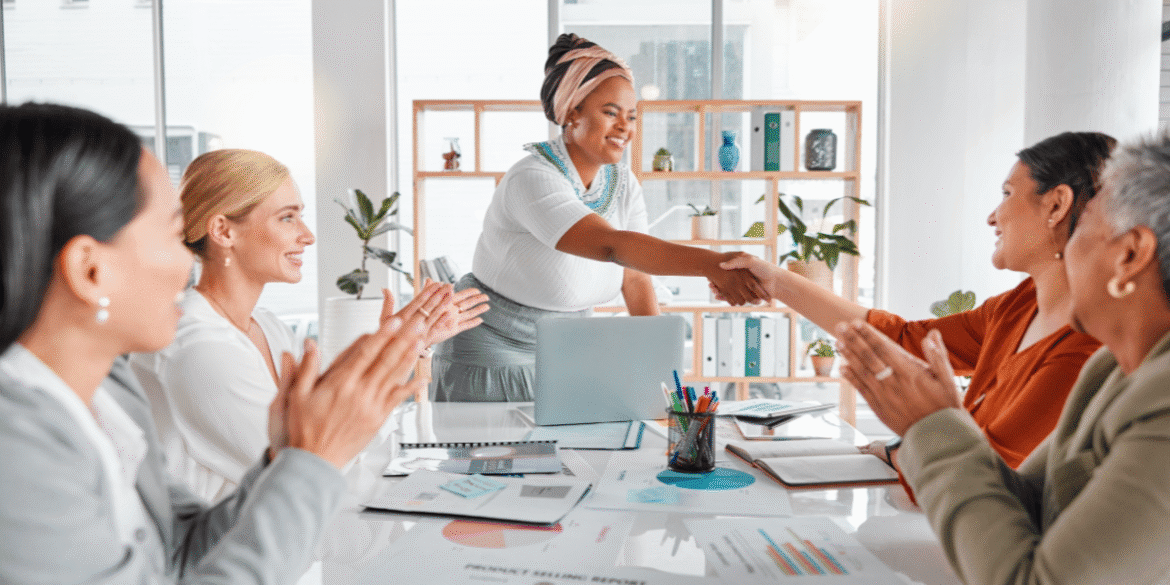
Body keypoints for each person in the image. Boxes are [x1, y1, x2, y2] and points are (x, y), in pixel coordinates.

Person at [0, 102, 432, 583]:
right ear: (90, 270)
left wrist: (287, 456)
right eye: (170, 233)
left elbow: (182, 554)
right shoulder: (15, 447)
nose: (187, 263)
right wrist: (312, 461)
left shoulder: (110, 395)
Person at [835, 132, 1170, 585]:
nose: (1068, 249)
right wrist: (930, 424)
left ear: (1130, 256)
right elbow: (1025, 502)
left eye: (1085, 223)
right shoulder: (1110, 370)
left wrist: (931, 426)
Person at [720, 131, 1112, 468]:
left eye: (1007, 194)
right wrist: (777, 282)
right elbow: (906, 339)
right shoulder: (1018, 306)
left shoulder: (1086, 349)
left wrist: (906, 443)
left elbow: (991, 475)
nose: (992, 217)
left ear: (1057, 205)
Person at [130, 149, 488, 502]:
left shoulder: (269, 329)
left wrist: (408, 343)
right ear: (223, 231)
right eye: (287, 218)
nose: (307, 235)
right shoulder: (199, 348)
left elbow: (339, 430)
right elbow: (315, 465)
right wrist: (395, 347)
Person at [431, 33, 765, 401]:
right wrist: (713, 264)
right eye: (610, 112)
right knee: (506, 458)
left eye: (632, 116)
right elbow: (611, 246)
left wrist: (665, 379)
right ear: (571, 112)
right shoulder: (532, 177)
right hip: (493, 350)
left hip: (568, 347)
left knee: (573, 453)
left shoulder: (621, 181)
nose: (625, 126)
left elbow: (635, 276)